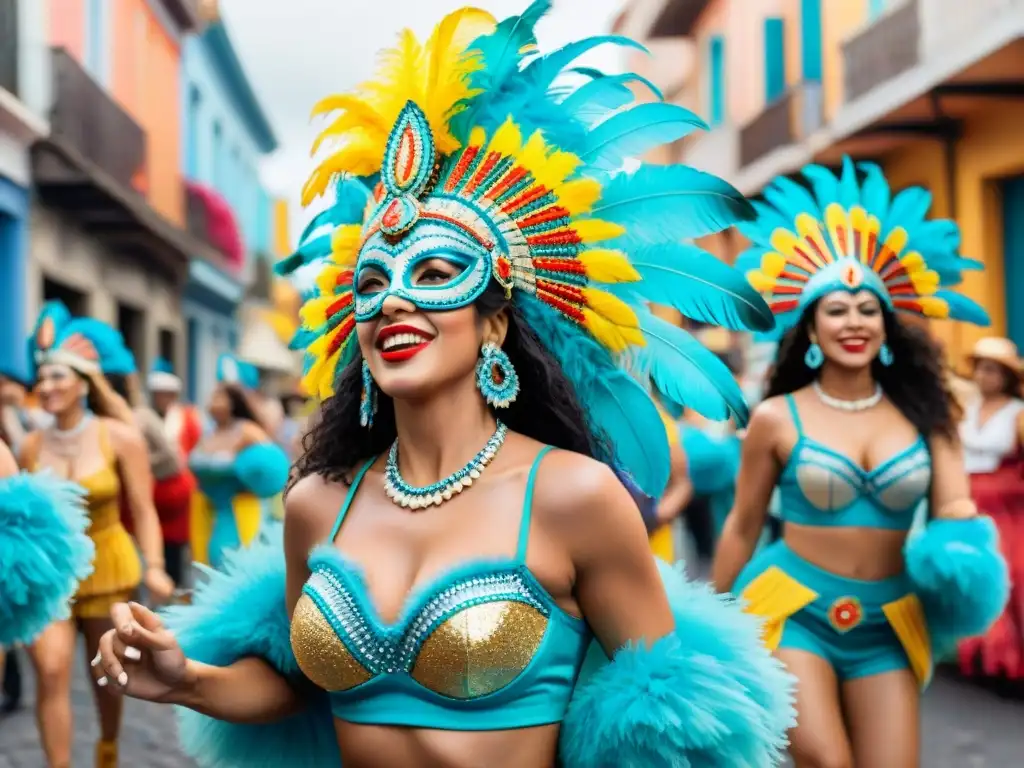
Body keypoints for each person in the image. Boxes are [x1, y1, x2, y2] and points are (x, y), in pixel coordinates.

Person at [90, 5, 796, 768]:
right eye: (372, 280)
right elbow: (299, 690)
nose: (394, 298)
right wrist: (188, 678)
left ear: (495, 325)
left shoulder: (573, 497)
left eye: (433, 274)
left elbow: (666, 728)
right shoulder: (317, 504)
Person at [714, 158, 1009, 768]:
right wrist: (706, 632)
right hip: (792, 607)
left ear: (887, 324)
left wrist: (961, 549)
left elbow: (956, 506)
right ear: (812, 330)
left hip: (891, 619)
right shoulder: (776, 417)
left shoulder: (930, 412)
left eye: (867, 309)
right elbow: (743, 524)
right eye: (837, 309)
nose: (854, 321)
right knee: (825, 761)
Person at [19, 301, 175, 768]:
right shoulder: (30, 444)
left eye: (58, 377)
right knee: (49, 671)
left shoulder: (119, 436)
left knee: (108, 675)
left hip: (109, 566)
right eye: (42, 378)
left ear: (85, 382)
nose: (45, 387)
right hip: (50, 575)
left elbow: (144, 510)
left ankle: (107, 747)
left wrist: (157, 567)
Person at [957, 336, 1024, 681]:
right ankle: (980, 655)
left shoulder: (1018, 414)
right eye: (981, 369)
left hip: (1006, 510)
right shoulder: (965, 409)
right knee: (972, 576)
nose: (984, 377)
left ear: (1006, 377)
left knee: (1008, 577)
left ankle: (1008, 660)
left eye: (992, 371)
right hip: (968, 504)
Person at [187, 354, 290, 569]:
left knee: (228, 567)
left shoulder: (247, 431)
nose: (213, 403)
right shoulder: (209, 433)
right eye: (213, 397)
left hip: (238, 516)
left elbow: (273, 468)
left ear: (233, 402)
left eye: (219, 397)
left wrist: (251, 481)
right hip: (205, 515)